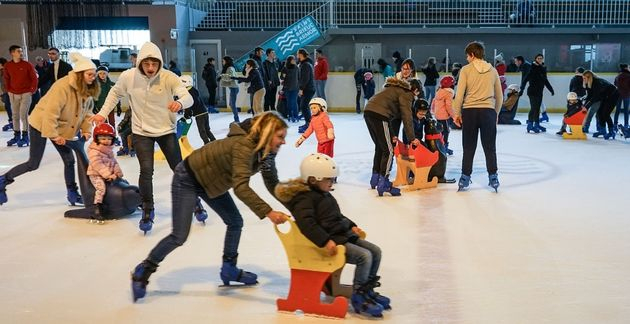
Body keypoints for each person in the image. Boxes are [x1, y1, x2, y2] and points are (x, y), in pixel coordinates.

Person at [130, 112, 290, 302]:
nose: (283, 142)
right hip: (188, 178)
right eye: (280, 137)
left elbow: (272, 182)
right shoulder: (244, 146)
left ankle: (229, 268)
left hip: (212, 182)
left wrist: (294, 203)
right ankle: (144, 270)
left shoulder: (265, 153)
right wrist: (269, 212)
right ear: (267, 133)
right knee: (179, 235)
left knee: (235, 222)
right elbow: (241, 187)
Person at [91, 41, 193, 233]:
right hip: (141, 131)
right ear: (140, 63)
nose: (151, 68)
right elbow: (114, 94)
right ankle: (148, 208)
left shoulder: (168, 77)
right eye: (147, 64)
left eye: (154, 64)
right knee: (146, 171)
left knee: (179, 169)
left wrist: (180, 103)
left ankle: (194, 201)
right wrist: (102, 114)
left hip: (165, 130)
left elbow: (188, 97)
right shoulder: (129, 77)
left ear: (159, 63)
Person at [274, 153, 389, 317]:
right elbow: (307, 225)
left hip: (342, 235)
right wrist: (325, 241)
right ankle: (359, 295)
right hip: (331, 242)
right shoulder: (304, 199)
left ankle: (367, 289)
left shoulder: (324, 194)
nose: (332, 183)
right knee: (364, 256)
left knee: (375, 251)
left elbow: (337, 216)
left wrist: (352, 225)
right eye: (329, 179)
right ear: (313, 179)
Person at [0, 52, 98, 206]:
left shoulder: (86, 88)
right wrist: (53, 135)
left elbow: (87, 112)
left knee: (69, 160)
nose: (94, 77)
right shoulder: (62, 87)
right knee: (33, 163)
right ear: (80, 74)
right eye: (90, 74)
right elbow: (50, 113)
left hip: (59, 126)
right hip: (40, 123)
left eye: (94, 74)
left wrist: (86, 130)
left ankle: (72, 193)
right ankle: (2, 180)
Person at [452, 41, 503, 192]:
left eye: (467, 56)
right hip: (488, 112)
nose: (467, 59)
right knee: (490, 147)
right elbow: (499, 97)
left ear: (472, 55)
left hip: (470, 112)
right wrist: (496, 113)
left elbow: (459, 95)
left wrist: (456, 114)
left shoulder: (466, 70)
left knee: (468, 147)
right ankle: (493, 176)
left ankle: (465, 178)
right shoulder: (493, 70)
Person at [364, 77, 422, 196]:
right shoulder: (406, 94)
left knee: (380, 147)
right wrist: (412, 138)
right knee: (389, 151)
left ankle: (375, 178)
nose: (416, 96)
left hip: (369, 112)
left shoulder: (392, 89)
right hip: (379, 115)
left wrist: (392, 134)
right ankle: (383, 182)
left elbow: (390, 116)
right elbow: (407, 118)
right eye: (418, 93)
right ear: (415, 90)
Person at [87, 123, 123, 223]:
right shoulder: (94, 151)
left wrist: (118, 172)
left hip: (108, 174)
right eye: (103, 138)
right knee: (101, 188)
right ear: (97, 139)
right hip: (96, 174)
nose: (106, 141)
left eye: (108, 138)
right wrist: (108, 175)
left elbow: (113, 162)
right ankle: (97, 208)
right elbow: (98, 165)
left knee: (123, 182)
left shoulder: (109, 150)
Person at [3, 45, 37, 147]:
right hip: (13, 94)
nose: (21, 53)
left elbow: (34, 78)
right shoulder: (8, 66)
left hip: (26, 93)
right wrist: (9, 90)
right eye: (18, 51)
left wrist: (31, 90)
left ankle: (26, 136)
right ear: (12, 53)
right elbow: (6, 79)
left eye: (21, 51)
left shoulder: (27, 65)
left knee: (23, 115)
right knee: (15, 115)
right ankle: (16, 135)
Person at [519, 54, 554, 133]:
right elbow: (525, 80)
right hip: (532, 91)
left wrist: (551, 89)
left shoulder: (543, 69)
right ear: (535, 59)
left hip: (539, 92)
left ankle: (537, 124)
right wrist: (522, 89)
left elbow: (545, 80)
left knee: (537, 108)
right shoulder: (532, 68)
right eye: (538, 58)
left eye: (541, 58)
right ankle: (530, 124)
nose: (540, 59)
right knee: (534, 108)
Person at [582, 70, 620, 139]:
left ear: (589, 77)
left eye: (584, 78)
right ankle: (602, 130)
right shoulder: (589, 84)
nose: (583, 80)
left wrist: (587, 107)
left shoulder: (597, 82)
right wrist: (584, 106)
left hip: (613, 95)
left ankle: (611, 132)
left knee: (605, 114)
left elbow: (595, 97)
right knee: (599, 113)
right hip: (606, 96)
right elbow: (589, 96)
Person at [180, 75, 216, 144]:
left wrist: (187, 116)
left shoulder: (187, 93)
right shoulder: (193, 90)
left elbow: (189, 105)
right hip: (205, 112)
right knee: (207, 130)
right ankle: (214, 142)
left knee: (202, 131)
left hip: (199, 115)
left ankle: (207, 144)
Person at [94, 65, 121, 140]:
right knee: (103, 123)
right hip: (100, 107)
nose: (102, 75)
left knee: (112, 123)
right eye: (100, 73)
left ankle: (113, 136)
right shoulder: (96, 85)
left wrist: (119, 107)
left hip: (110, 107)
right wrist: (93, 107)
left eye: (104, 73)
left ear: (107, 74)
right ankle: (103, 137)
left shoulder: (112, 84)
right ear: (98, 74)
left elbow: (117, 96)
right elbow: (92, 97)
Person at [432, 75, 456, 155]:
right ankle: (444, 147)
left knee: (441, 131)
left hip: (437, 115)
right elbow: (448, 106)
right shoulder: (448, 93)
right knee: (446, 131)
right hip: (444, 116)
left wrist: (433, 111)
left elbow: (433, 102)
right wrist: (453, 116)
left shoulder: (439, 91)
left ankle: (441, 146)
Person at [297, 48, 316, 133]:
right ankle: (308, 123)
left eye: (298, 54)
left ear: (301, 54)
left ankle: (309, 124)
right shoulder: (303, 64)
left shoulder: (306, 65)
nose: (297, 55)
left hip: (308, 88)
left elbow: (305, 78)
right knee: (304, 106)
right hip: (308, 88)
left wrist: (301, 88)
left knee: (303, 106)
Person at [219, 55, 240, 122]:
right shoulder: (229, 68)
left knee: (232, 105)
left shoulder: (230, 68)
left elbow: (231, 77)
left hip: (234, 88)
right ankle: (236, 119)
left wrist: (222, 76)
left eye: (223, 61)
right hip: (233, 88)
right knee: (231, 104)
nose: (223, 62)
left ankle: (237, 120)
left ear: (226, 61)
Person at [280, 55, 299, 122]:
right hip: (287, 88)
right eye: (293, 59)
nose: (294, 60)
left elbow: (299, 77)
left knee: (294, 102)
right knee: (289, 102)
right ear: (289, 61)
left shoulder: (297, 68)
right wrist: (283, 76)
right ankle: (290, 115)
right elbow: (282, 78)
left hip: (295, 88)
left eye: (294, 59)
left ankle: (296, 115)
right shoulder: (285, 68)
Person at [614, 63, 630, 130]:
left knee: (617, 110)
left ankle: (615, 124)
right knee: (626, 110)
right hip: (626, 94)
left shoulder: (618, 76)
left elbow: (615, 84)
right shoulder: (629, 75)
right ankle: (626, 124)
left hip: (618, 94)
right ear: (626, 68)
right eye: (628, 67)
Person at [0, 57, 13, 132]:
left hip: (10, 91)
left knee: (8, 106)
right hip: (5, 92)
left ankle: (13, 122)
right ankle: (12, 122)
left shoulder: (8, 70)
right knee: (8, 107)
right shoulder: (1, 71)